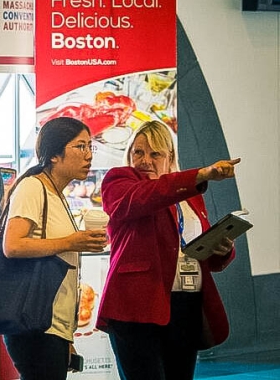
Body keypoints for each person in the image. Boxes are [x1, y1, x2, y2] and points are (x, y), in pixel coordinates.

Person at [97, 120, 239, 380]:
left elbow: (200, 251)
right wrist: (201, 175)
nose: (145, 160)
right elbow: (148, 196)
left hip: (185, 305)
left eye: (155, 153)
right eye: (138, 152)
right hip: (137, 307)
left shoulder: (191, 194)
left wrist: (222, 247)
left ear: (170, 157)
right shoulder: (119, 181)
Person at [1, 117, 108, 380]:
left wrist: (67, 334)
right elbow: (12, 246)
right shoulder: (32, 187)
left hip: (52, 326)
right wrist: (71, 242)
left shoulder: (56, 193)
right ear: (54, 155)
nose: (88, 155)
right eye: (80, 147)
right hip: (34, 324)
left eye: (89, 147)